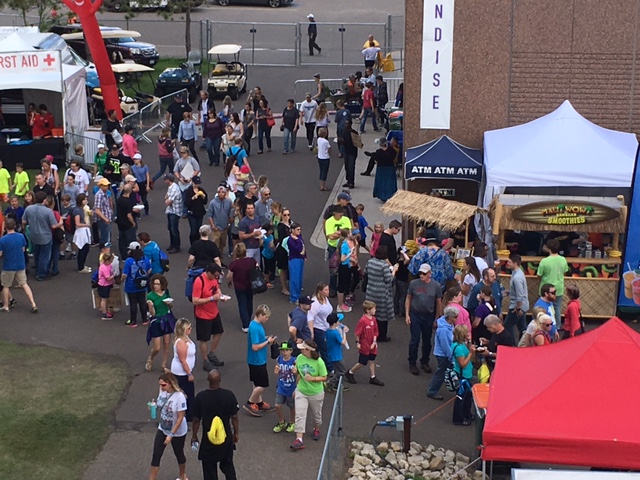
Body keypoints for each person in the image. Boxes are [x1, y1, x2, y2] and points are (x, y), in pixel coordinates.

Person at [191, 369, 239, 480]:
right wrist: (236, 432)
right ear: (220, 380)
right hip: (226, 437)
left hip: (208, 439)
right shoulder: (229, 395)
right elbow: (234, 417)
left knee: (209, 468)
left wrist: (194, 436)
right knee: (228, 464)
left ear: (208, 380)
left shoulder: (201, 397)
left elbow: (196, 420)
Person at [149, 373, 188, 480]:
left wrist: (171, 435)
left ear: (170, 384)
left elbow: (180, 418)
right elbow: (161, 405)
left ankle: (182, 475)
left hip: (177, 431)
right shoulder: (162, 391)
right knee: (156, 454)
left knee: (179, 453)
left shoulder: (179, 397)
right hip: (163, 428)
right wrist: (153, 406)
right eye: (160, 385)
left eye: (163, 385)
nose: (161, 387)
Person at [405, 263, 442, 375]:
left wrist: (437, 318)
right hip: (415, 314)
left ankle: (425, 361)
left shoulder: (436, 286)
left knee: (427, 340)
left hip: (428, 316)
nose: (422, 275)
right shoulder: (413, 284)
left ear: (430, 274)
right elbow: (408, 298)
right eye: (420, 273)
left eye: (424, 273)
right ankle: (412, 362)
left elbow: (438, 303)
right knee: (414, 340)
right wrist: (407, 314)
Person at [290, 340, 327, 451]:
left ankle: (316, 428)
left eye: (303, 348)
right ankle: (299, 439)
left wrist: (313, 379)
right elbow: (299, 373)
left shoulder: (319, 362)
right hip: (302, 390)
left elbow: (324, 377)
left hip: (316, 392)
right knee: (300, 414)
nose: (300, 349)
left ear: (309, 350)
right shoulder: (300, 358)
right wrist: (295, 373)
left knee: (317, 415)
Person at [193, 263, 228, 371]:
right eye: (215, 275)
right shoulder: (199, 281)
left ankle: (211, 353)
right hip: (203, 315)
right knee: (204, 339)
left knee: (219, 332)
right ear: (209, 273)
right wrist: (212, 298)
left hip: (214, 311)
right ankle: (205, 361)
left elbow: (217, 288)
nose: (216, 278)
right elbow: (195, 300)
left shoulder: (214, 279)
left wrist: (220, 296)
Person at [244, 304, 277, 417]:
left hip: (257, 359)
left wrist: (266, 338)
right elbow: (255, 347)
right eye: (266, 317)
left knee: (256, 383)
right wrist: (267, 342)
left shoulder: (255, 325)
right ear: (261, 315)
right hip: (257, 360)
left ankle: (259, 402)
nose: (267, 319)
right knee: (262, 384)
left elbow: (258, 340)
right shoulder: (255, 327)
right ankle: (250, 402)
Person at [0, 217, 37, 313]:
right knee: (24, 284)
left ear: (5, 228)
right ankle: (33, 303)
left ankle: (6, 305)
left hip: (8, 266)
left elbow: (0, 253)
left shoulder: (3, 240)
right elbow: (23, 249)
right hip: (20, 264)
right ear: (15, 226)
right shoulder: (21, 236)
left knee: (6, 285)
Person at [344, 301, 384, 386]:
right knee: (363, 362)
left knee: (372, 360)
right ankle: (350, 372)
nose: (375, 310)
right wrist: (358, 342)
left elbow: (376, 331)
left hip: (372, 344)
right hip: (365, 344)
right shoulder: (363, 321)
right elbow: (357, 333)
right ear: (368, 310)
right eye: (373, 309)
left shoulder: (373, 319)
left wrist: (374, 341)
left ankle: (373, 377)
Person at [22, 191, 58, 281]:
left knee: (37, 254)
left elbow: (23, 221)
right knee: (45, 256)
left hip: (34, 235)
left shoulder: (29, 209)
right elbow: (53, 225)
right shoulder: (48, 211)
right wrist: (60, 222)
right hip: (46, 236)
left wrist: (25, 229)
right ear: (44, 200)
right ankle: (41, 274)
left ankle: (37, 270)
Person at [146, 274, 177, 373]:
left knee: (167, 344)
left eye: (158, 284)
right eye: (154, 284)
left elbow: (170, 306)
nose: (156, 286)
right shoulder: (150, 295)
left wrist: (169, 304)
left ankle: (163, 365)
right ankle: (151, 358)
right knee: (157, 347)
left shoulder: (166, 293)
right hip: (156, 321)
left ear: (162, 285)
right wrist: (151, 306)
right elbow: (152, 314)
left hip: (166, 320)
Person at [427, 305, 459, 400]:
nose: (457, 318)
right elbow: (445, 346)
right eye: (455, 317)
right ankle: (432, 391)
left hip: (444, 354)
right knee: (441, 373)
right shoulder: (444, 330)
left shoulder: (448, 325)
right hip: (443, 355)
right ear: (450, 317)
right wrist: (451, 357)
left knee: (443, 372)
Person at [364, 245, 395, 341]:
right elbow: (388, 279)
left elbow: (366, 272)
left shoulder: (370, 261)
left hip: (371, 292)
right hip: (382, 294)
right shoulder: (384, 266)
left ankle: (370, 333)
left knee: (372, 314)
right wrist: (394, 271)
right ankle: (381, 336)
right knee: (382, 316)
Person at [537, 238, 569, 326]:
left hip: (546, 289)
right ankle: (557, 326)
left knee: (544, 307)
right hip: (558, 288)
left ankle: (544, 325)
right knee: (556, 308)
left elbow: (539, 275)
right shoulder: (563, 260)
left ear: (548, 248)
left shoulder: (544, 261)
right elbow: (565, 272)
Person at [170, 318, 196, 423]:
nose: (190, 329)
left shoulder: (186, 339)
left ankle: (189, 415)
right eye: (188, 328)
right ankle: (185, 416)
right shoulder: (181, 342)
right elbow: (183, 360)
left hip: (184, 372)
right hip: (181, 373)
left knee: (189, 394)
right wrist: (189, 373)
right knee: (185, 394)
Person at [227, 243, 257, 332]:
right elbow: (257, 268)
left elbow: (229, 276)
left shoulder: (234, 264)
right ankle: (249, 317)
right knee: (249, 302)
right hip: (250, 285)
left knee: (242, 304)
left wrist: (229, 282)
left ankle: (245, 324)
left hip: (239, 286)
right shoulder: (251, 261)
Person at [121, 241, 151, 328]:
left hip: (131, 285)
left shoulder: (129, 261)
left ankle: (133, 321)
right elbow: (149, 270)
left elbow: (125, 275)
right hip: (142, 284)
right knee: (142, 301)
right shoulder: (145, 258)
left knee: (133, 303)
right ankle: (144, 319)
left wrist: (121, 280)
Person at [451, 324, 475, 426]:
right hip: (462, 376)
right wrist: (470, 353)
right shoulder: (459, 348)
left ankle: (467, 414)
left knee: (468, 397)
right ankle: (458, 419)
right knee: (461, 398)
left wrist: (469, 343)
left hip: (467, 375)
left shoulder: (462, 344)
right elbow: (463, 364)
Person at [273, 341, 297, 433]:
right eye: (282, 350)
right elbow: (277, 371)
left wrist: (296, 371)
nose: (284, 352)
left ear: (291, 351)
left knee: (292, 406)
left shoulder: (295, 360)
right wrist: (276, 370)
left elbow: (297, 373)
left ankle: (292, 422)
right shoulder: (279, 359)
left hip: (291, 387)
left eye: (286, 350)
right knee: (277, 405)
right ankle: (281, 421)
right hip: (281, 385)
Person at [504, 253, 529, 341]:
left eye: (509, 262)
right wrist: (509, 292)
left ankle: (512, 343)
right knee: (522, 327)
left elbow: (520, 295)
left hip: (516, 306)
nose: (508, 263)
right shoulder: (516, 273)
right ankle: (524, 343)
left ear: (515, 263)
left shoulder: (517, 278)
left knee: (507, 325)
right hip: (522, 305)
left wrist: (518, 308)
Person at [308, 282, 333, 365]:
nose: (328, 291)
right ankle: (330, 368)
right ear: (320, 291)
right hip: (318, 329)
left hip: (326, 327)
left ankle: (317, 364)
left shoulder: (325, 299)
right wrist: (311, 332)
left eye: (328, 289)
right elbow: (310, 317)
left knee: (321, 349)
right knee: (324, 350)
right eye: (325, 290)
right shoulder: (315, 303)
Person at [324, 313, 349, 391]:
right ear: (335, 323)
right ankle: (330, 382)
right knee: (342, 371)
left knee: (337, 370)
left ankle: (337, 385)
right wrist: (344, 333)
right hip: (337, 355)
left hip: (331, 354)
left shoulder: (328, 331)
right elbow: (343, 342)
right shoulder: (335, 333)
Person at [207, 185, 233, 254]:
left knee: (222, 244)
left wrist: (228, 223)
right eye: (219, 192)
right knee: (215, 244)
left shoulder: (228, 202)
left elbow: (230, 213)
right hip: (216, 228)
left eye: (222, 192)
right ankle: (214, 258)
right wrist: (213, 226)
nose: (221, 194)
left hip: (224, 228)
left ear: (225, 193)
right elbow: (209, 215)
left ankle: (220, 257)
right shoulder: (213, 203)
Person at [72, 193, 93, 273]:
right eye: (84, 199)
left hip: (84, 230)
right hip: (81, 231)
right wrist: (86, 225)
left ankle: (83, 265)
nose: (86, 201)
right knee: (82, 249)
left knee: (86, 248)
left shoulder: (83, 208)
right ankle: (80, 267)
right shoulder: (77, 210)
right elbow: (77, 223)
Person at [372, 137, 398, 202]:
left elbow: (376, 161)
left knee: (381, 182)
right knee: (389, 182)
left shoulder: (378, 152)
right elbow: (394, 157)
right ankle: (389, 195)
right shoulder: (391, 150)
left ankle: (382, 195)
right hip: (390, 168)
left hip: (381, 169)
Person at [184, 176, 208, 245]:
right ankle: (193, 244)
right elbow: (186, 203)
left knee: (198, 230)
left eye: (198, 183)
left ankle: (197, 244)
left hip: (200, 213)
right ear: (192, 182)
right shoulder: (189, 191)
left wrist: (203, 197)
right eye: (195, 183)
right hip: (192, 213)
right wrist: (193, 198)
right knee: (193, 231)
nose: (197, 185)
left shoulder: (201, 190)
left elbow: (205, 202)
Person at [116, 184, 137, 259]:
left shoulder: (119, 199)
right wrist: (133, 223)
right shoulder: (128, 202)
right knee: (130, 240)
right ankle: (131, 255)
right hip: (128, 224)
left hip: (120, 223)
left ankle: (123, 256)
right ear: (130, 191)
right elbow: (129, 215)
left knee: (122, 240)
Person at [287, 222, 307, 304]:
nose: (299, 231)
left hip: (300, 259)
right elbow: (298, 248)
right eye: (297, 230)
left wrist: (305, 256)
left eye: (300, 229)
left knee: (299, 278)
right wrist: (298, 241)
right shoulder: (290, 240)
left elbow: (303, 246)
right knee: (295, 279)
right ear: (292, 230)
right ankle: (294, 298)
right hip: (294, 260)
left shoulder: (299, 237)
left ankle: (298, 294)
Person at [164, 174, 182, 254]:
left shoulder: (174, 188)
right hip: (170, 210)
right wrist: (167, 199)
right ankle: (172, 244)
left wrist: (167, 199)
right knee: (170, 228)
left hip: (175, 211)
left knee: (174, 229)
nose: (164, 180)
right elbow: (166, 197)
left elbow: (168, 202)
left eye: (165, 179)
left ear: (168, 180)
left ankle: (176, 246)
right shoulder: (170, 186)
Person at [93, 177, 114, 248]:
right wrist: (105, 219)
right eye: (104, 185)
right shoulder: (99, 195)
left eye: (107, 185)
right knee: (105, 238)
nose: (107, 187)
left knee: (107, 237)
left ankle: (106, 253)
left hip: (107, 218)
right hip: (103, 220)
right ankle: (104, 253)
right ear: (100, 186)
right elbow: (97, 210)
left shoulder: (106, 194)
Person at [341, 119, 359, 189]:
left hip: (352, 152)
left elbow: (357, 143)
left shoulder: (354, 132)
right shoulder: (344, 132)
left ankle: (352, 182)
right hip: (346, 151)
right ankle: (348, 180)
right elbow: (343, 142)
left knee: (351, 167)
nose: (345, 125)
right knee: (347, 167)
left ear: (350, 124)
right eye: (345, 124)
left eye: (347, 124)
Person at [97, 252, 116, 320]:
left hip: (107, 284)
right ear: (107, 260)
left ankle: (106, 310)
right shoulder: (104, 267)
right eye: (110, 261)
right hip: (104, 285)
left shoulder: (108, 265)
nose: (111, 262)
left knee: (106, 298)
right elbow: (108, 278)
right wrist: (114, 275)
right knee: (104, 299)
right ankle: (104, 314)